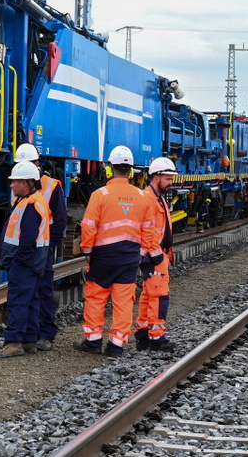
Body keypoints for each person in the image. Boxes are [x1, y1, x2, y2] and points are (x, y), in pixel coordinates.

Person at [75, 145, 162, 357]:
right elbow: (149, 231)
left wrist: (87, 251)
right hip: (130, 256)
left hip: (103, 256)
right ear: (131, 171)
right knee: (124, 300)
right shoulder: (143, 197)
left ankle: (93, 341)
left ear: (109, 169)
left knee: (96, 296)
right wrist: (147, 253)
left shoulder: (99, 194)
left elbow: (89, 226)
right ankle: (116, 345)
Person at [0, 161, 51, 359]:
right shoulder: (31, 201)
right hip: (33, 262)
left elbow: (27, 239)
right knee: (31, 300)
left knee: (18, 301)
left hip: (25, 262)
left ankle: (14, 342)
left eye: (14, 182)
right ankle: (29, 341)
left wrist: (17, 261)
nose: (11, 185)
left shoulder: (31, 204)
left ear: (26, 183)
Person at [13, 143, 69, 351]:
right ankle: (31, 334)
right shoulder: (17, 184)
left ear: (38, 164)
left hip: (42, 249)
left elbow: (60, 220)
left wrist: (50, 246)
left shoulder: (52, 185)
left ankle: (46, 334)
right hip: (25, 248)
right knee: (29, 291)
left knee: (43, 289)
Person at [135, 157, 178, 352]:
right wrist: (157, 256)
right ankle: (157, 338)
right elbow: (149, 231)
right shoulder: (149, 199)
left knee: (148, 295)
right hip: (154, 256)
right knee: (159, 296)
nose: (171, 183)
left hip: (155, 254)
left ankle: (143, 334)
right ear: (156, 177)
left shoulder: (156, 197)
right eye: (168, 179)